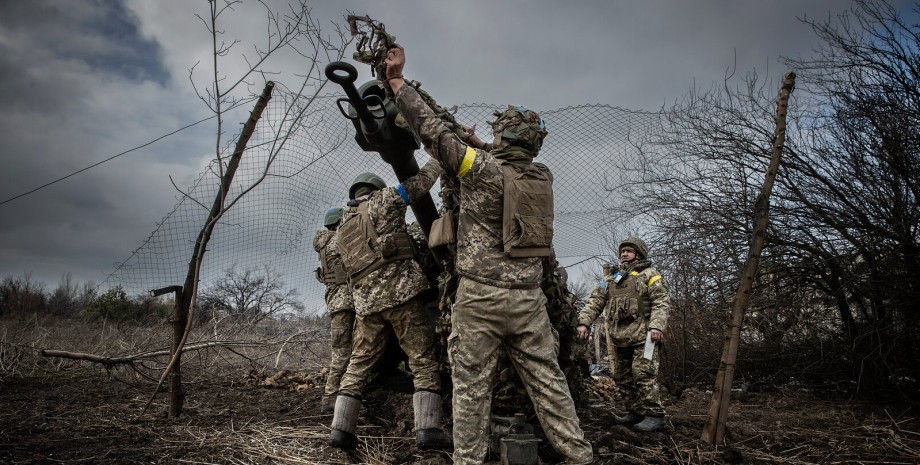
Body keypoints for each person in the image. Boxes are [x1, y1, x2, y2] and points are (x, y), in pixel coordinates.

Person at [381, 45, 594, 465]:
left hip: (480, 300)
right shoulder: (540, 176)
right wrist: (479, 140)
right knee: (549, 382)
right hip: (529, 300)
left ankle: (468, 460)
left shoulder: (479, 170)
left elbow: (430, 131)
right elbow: (500, 159)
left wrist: (396, 82)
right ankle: (580, 455)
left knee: (471, 386)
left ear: (504, 139)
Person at [329, 168, 453, 450]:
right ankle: (428, 429)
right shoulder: (384, 199)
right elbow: (419, 185)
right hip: (401, 296)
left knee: (357, 365)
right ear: (376, 188)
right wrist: (438, 157)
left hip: (366, 306)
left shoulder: (342, 227)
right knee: (422, 360)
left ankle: (340, 430)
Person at [576, 236, 671, 432]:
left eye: (629, 250)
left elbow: (661, 301)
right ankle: (636, 412)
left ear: (639, 254)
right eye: (622, 251)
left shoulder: (649, 275)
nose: (624, 254)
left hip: (645, 338)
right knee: (621, 376)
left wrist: (657, 327)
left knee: (643, 374)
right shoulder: (610, 280)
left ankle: (655, 416)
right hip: (620, 338)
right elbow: (595, 302)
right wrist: (584, 322)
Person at [313, 206, 355, 415]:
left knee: (342, 350)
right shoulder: (337, 241)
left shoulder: (323, 244)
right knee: (343, 352)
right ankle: (331, 397)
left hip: (336, 303)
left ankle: (335, 396)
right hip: (346, 302)